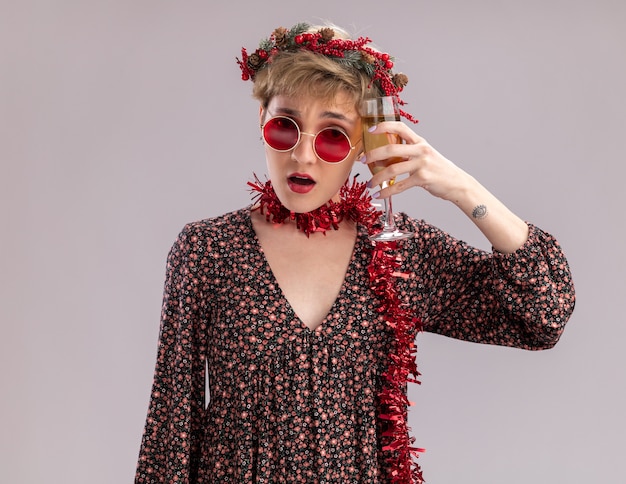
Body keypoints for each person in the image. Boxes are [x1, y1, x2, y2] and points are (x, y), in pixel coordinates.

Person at [134, 22, 575, 484]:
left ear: (362, 144)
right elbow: (170, 430)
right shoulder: (207, 252)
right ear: (260, 119)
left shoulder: (397, 254)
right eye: (285, 128)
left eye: (332, 137)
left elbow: (542, 315)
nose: (303, 156)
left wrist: (461, 188)